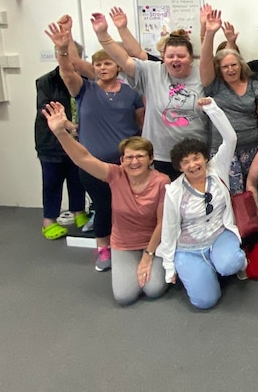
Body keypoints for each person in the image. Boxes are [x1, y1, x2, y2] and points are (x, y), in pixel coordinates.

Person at [42, 102, 170, 305]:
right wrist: (60, 133)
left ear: (151, 159)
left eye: (140, 157)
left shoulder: (162, 181)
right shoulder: (114, 174)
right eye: (129, 157)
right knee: (124, 296)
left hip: (152, 244)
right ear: (122, 160)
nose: (134, 162)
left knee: (153, 289)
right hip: (123, 244)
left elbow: (163, 224)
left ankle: (151, 264)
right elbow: (83, 158)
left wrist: (148, 255)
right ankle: (132, 265)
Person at [47, 21, 144, 272]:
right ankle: (103, 248)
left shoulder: (131, 93)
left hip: (127, 165)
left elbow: (140, 125)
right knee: (103, 205)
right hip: (93, 163)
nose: (102, 67)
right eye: (98, 63)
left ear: (118, 66)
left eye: (108, 62)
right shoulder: (84, 89)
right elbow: (68, 72)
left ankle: (129, 245)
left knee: (127, 208)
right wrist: (62, 49)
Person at [92, 14, 206, 181]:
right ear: (163, 58)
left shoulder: (202, 74)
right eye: (170, 56)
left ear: (190, 58)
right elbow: (123, 59)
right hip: (161, 155)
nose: (175, 60)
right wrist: (103, 34)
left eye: (181, 56)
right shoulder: (152, 71)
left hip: (195, 157)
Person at [159, 97, 247, 309]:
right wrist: (169, 266)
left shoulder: (217, 169)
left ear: (205, 157)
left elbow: (230, 138)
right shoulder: (174, 191)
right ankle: (204, 271)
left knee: (231, 263)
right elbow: (169, 229)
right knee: (205, 301)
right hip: (189, 248)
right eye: (186, 162)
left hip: (219, 236)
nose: (193, 165)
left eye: (196, 158)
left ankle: (222, 264)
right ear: (179, 167)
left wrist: (211, 108)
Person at [199, 9, 258, 194]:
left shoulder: (254, 85)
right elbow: (205, 62)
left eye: (234, 65)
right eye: (225, 67)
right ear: (219, 69)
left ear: (241, 65)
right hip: (224, 151)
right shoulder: (213, 85)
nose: (230, 69)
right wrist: (209, 34)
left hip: (252, 148)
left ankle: (251, 224)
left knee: (250, 192)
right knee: (230, 193)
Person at [34, 49, 88, 241]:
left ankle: (79, 212)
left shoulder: (86, 78)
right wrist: (67, 125)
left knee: (78, 178)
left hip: (79, 141)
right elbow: (46, 109)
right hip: (51, 142)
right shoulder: (45, 81)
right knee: (52, 181)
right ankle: (49, 220)